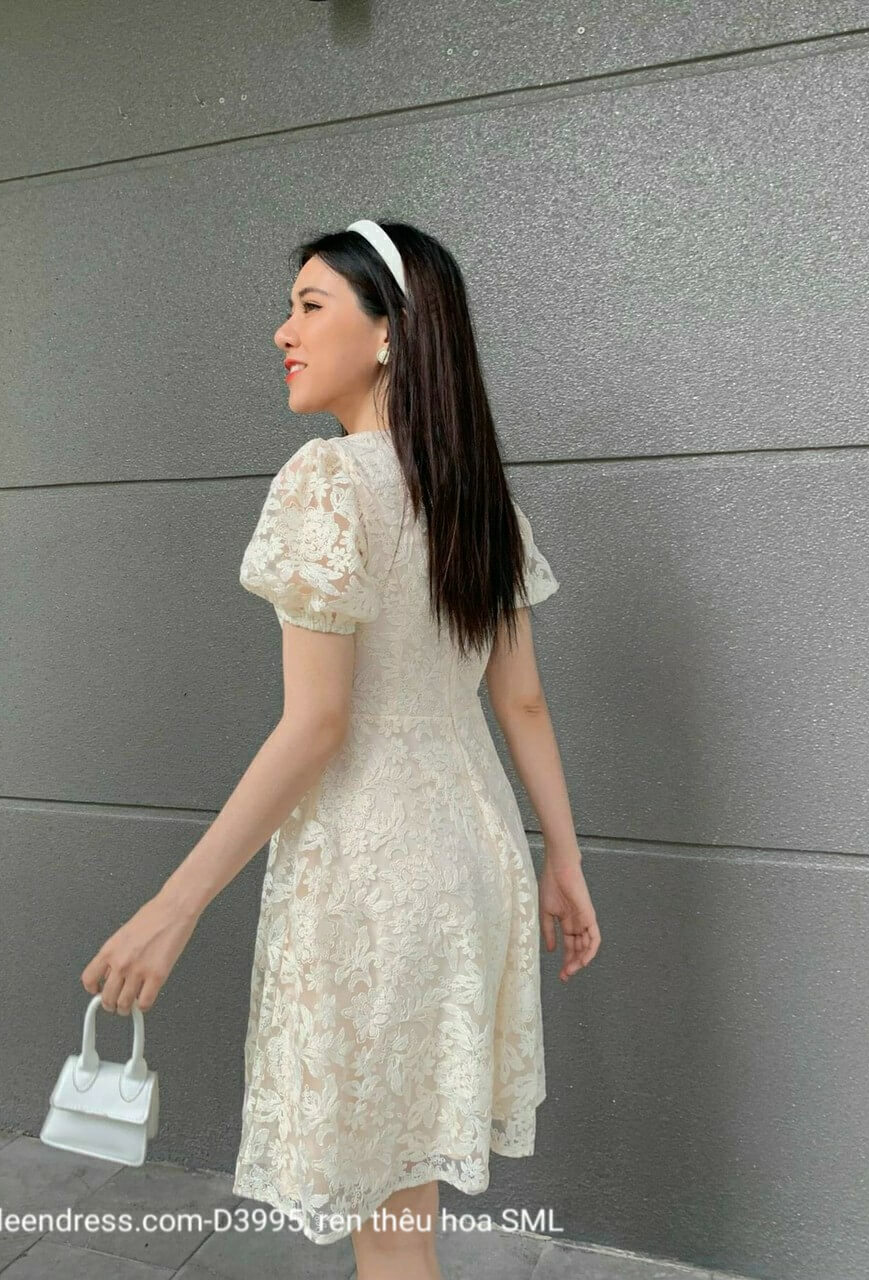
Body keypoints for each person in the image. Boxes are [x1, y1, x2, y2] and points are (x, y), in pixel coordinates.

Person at [81, 219, 600, 1280]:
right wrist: (564, 856)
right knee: (403, 1212)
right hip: (473, 861)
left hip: (372, 875)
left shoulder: (329, 481)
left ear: (389, 333)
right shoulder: (478, 497)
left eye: (310, 306)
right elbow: (523, 701)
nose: (283, 331)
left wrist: (174, 906)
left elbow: (317, 724)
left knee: (388, 1226)